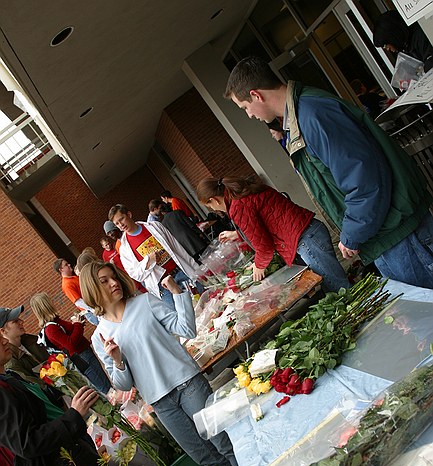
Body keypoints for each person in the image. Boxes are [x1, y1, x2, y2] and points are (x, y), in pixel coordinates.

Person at [224, 56, 433, 290]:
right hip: (388, 231)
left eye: (245, 108)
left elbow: (363, 179)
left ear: (256, 95)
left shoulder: (313, 114)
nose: (250, 115)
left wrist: (352, 233)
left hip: (398, 233)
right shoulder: (303, 114)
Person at [79, 261, 246, 466]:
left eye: (113, 277)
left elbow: (186, 329)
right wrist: (117, 360)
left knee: (223, 442)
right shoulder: (100, 337)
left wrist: (178, 294)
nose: (114, 283)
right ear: (92, 289)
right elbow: (123, 384)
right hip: (161, 404)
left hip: (188, 384)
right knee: (204, 457)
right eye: (104, 281)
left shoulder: (144, 302)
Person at [197, 176, 350, 292]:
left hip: (306, 240)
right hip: (311, 232)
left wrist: (259, 266)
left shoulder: (238, 206)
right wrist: (236, 234)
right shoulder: (241, 193)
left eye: (209, 205)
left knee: (340, 289)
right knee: (337, 285)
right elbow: (265, 221)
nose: (213, 210)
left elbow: (264, 247)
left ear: (214, 200)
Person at [0, 332, 103, 466]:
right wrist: (74, 416)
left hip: (73, 455)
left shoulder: (10, 377)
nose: (5, 341)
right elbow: (27, 442)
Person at [107, 203, 202, 308]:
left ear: (129, 214)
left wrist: (195, 268)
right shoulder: (124, 249)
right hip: (163, 287)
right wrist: (148, 260)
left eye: (122, 219)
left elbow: (177, 247)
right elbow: (135, 274)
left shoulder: (154, 226)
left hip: (180, 272)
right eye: (117, 223)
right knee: (183, 316)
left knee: (203, 302)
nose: (121, 225)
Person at [29, 292, 111, 395]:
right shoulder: (51, 328)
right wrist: (77, 325)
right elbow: (70, 344)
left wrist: (78, 325)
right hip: (82, 358)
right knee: (105, 388)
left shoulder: (55, 322)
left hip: (84, 354)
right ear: (47, 305)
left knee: (104, 384)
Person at [0, 304, 48, 383]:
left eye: (19, 319)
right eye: (15, 321)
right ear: (3, 331)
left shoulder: (31, 340)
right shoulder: (10, 361)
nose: (22, 322)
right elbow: (34, 385)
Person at [53, 258, 99, 325]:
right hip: (92, 312)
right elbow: (78, 302)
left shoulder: (73, 278)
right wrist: (94, 310)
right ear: (61, 270)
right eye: (66, 265)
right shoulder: (66, 285)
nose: (69, 265)